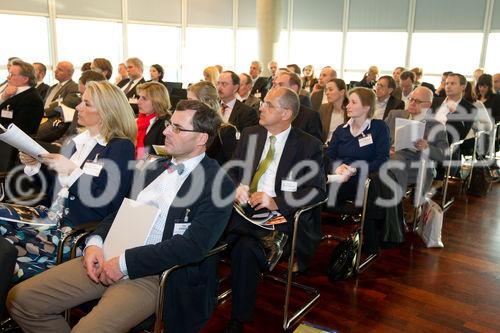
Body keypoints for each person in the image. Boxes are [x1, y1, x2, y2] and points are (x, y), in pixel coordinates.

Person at [7, 100, 235, 333]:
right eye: (169, 124)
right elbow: (121, 211)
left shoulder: (219, 184)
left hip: (154, 273)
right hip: (109, 254)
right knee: (22, 300)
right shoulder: (153, 167)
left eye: (177, 128)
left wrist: (125, 263)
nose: (166, 131)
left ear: (201, 139)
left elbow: (193, 246)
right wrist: (94, 243)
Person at [0, 81, 136, 281]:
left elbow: (107, 203)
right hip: (48, 219)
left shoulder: (119, 147)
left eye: (87, 104)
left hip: (73, 231)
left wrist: (72, 172)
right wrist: (36, 165)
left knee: (6, 259)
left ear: (107, 111)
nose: (78, 107)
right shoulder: (77, 143)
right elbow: (54, 189)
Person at [224, 87, 326, 332]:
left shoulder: (307, 145)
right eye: (263, 103)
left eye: (269, 105)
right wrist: (237, 187)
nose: (261, 107)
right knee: (203, 228)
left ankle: (239, 318)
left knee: (244, 247)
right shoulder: (251, 134)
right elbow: (231, 170)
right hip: (242, 208)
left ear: (286, 113)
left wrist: (276, 201)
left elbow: (316, 190)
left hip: (277, 216)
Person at [326, 87, 390, 254]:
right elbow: (330, 155)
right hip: (340, 178)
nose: (348, 105)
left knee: (370, 191)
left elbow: (382, 159)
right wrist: (338, 166)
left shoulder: (378, 128)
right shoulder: (342, 129)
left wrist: (355, 169)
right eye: (348, 101)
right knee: (314, 192)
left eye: (353, 102)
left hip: (365, 178)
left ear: (367, 107)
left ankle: (371, 243)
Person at [385, 86, 449, 195]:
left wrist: (427, 147)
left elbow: (444, 155)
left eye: (418, 101)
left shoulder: (436, 125)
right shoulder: (394, 115)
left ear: (428, 105)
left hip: (417, 164)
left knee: (394, 164)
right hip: (389, 156)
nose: (412, 103)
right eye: (411, 99)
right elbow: (380, 136)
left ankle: (393, 206)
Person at [0, 60, 44, 172]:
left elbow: (19, 130)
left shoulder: (32, 99)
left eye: (12, 74)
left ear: (25, 78)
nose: (8, 77)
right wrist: (4, 97)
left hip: (12, 150)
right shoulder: (14, 93)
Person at [188, 81, 237, 165]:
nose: (187, 104)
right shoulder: (188, 126)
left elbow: (227, 166)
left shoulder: (225, 131)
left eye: (191, 100)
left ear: (207, 102)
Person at [273, 71, 323, 141]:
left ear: (294, 88)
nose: (275, 89)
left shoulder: (310, 117)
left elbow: (315, 146)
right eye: (275, 85)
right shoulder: (270, 112)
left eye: (281, 85)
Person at [135, 82, 172, 159]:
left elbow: (165, 156)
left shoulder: (167, 124)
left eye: (144, 98)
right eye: (139, 97)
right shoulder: (138, 120)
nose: (138, 102)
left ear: (157, 101)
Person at [319, 78, 348, 143]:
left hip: (344, 148)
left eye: (331, 90)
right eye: (326, 90)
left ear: (342, 92)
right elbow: (318, 133)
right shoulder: (323, 108)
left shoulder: (351, 110)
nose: (327, 93)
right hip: (325, 148)